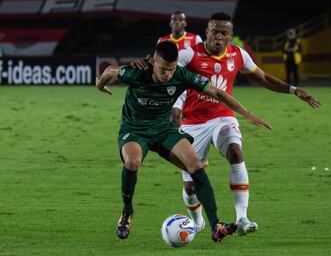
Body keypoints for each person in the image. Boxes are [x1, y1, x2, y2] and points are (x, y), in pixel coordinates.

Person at [132, 13, 320, 237]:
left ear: (231, 35)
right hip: (191, 123)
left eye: (224, 33)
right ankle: (198, 222)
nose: (218, 37)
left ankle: (242, 218)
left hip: (222, 116)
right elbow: (162, 65)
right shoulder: (190, 54)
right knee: (191, 187)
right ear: (207, 32)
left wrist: (294, 90)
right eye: (214, 31)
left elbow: (264, 78)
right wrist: (145, 63)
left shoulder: (238, 54)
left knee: (235, 151)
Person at [95, 41, 272, 242]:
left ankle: (216, 226)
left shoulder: (181, 75)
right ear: (153, 62)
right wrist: (100, 85)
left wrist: (247, 114)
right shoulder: (136, 73)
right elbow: (110, 71)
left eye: (171, 70)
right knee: (132, 162)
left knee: (195, 165)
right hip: (135, 130)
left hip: (164, 130)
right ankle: (127, 212)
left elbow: (217, 92)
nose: (167, 75)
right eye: (163, 69)